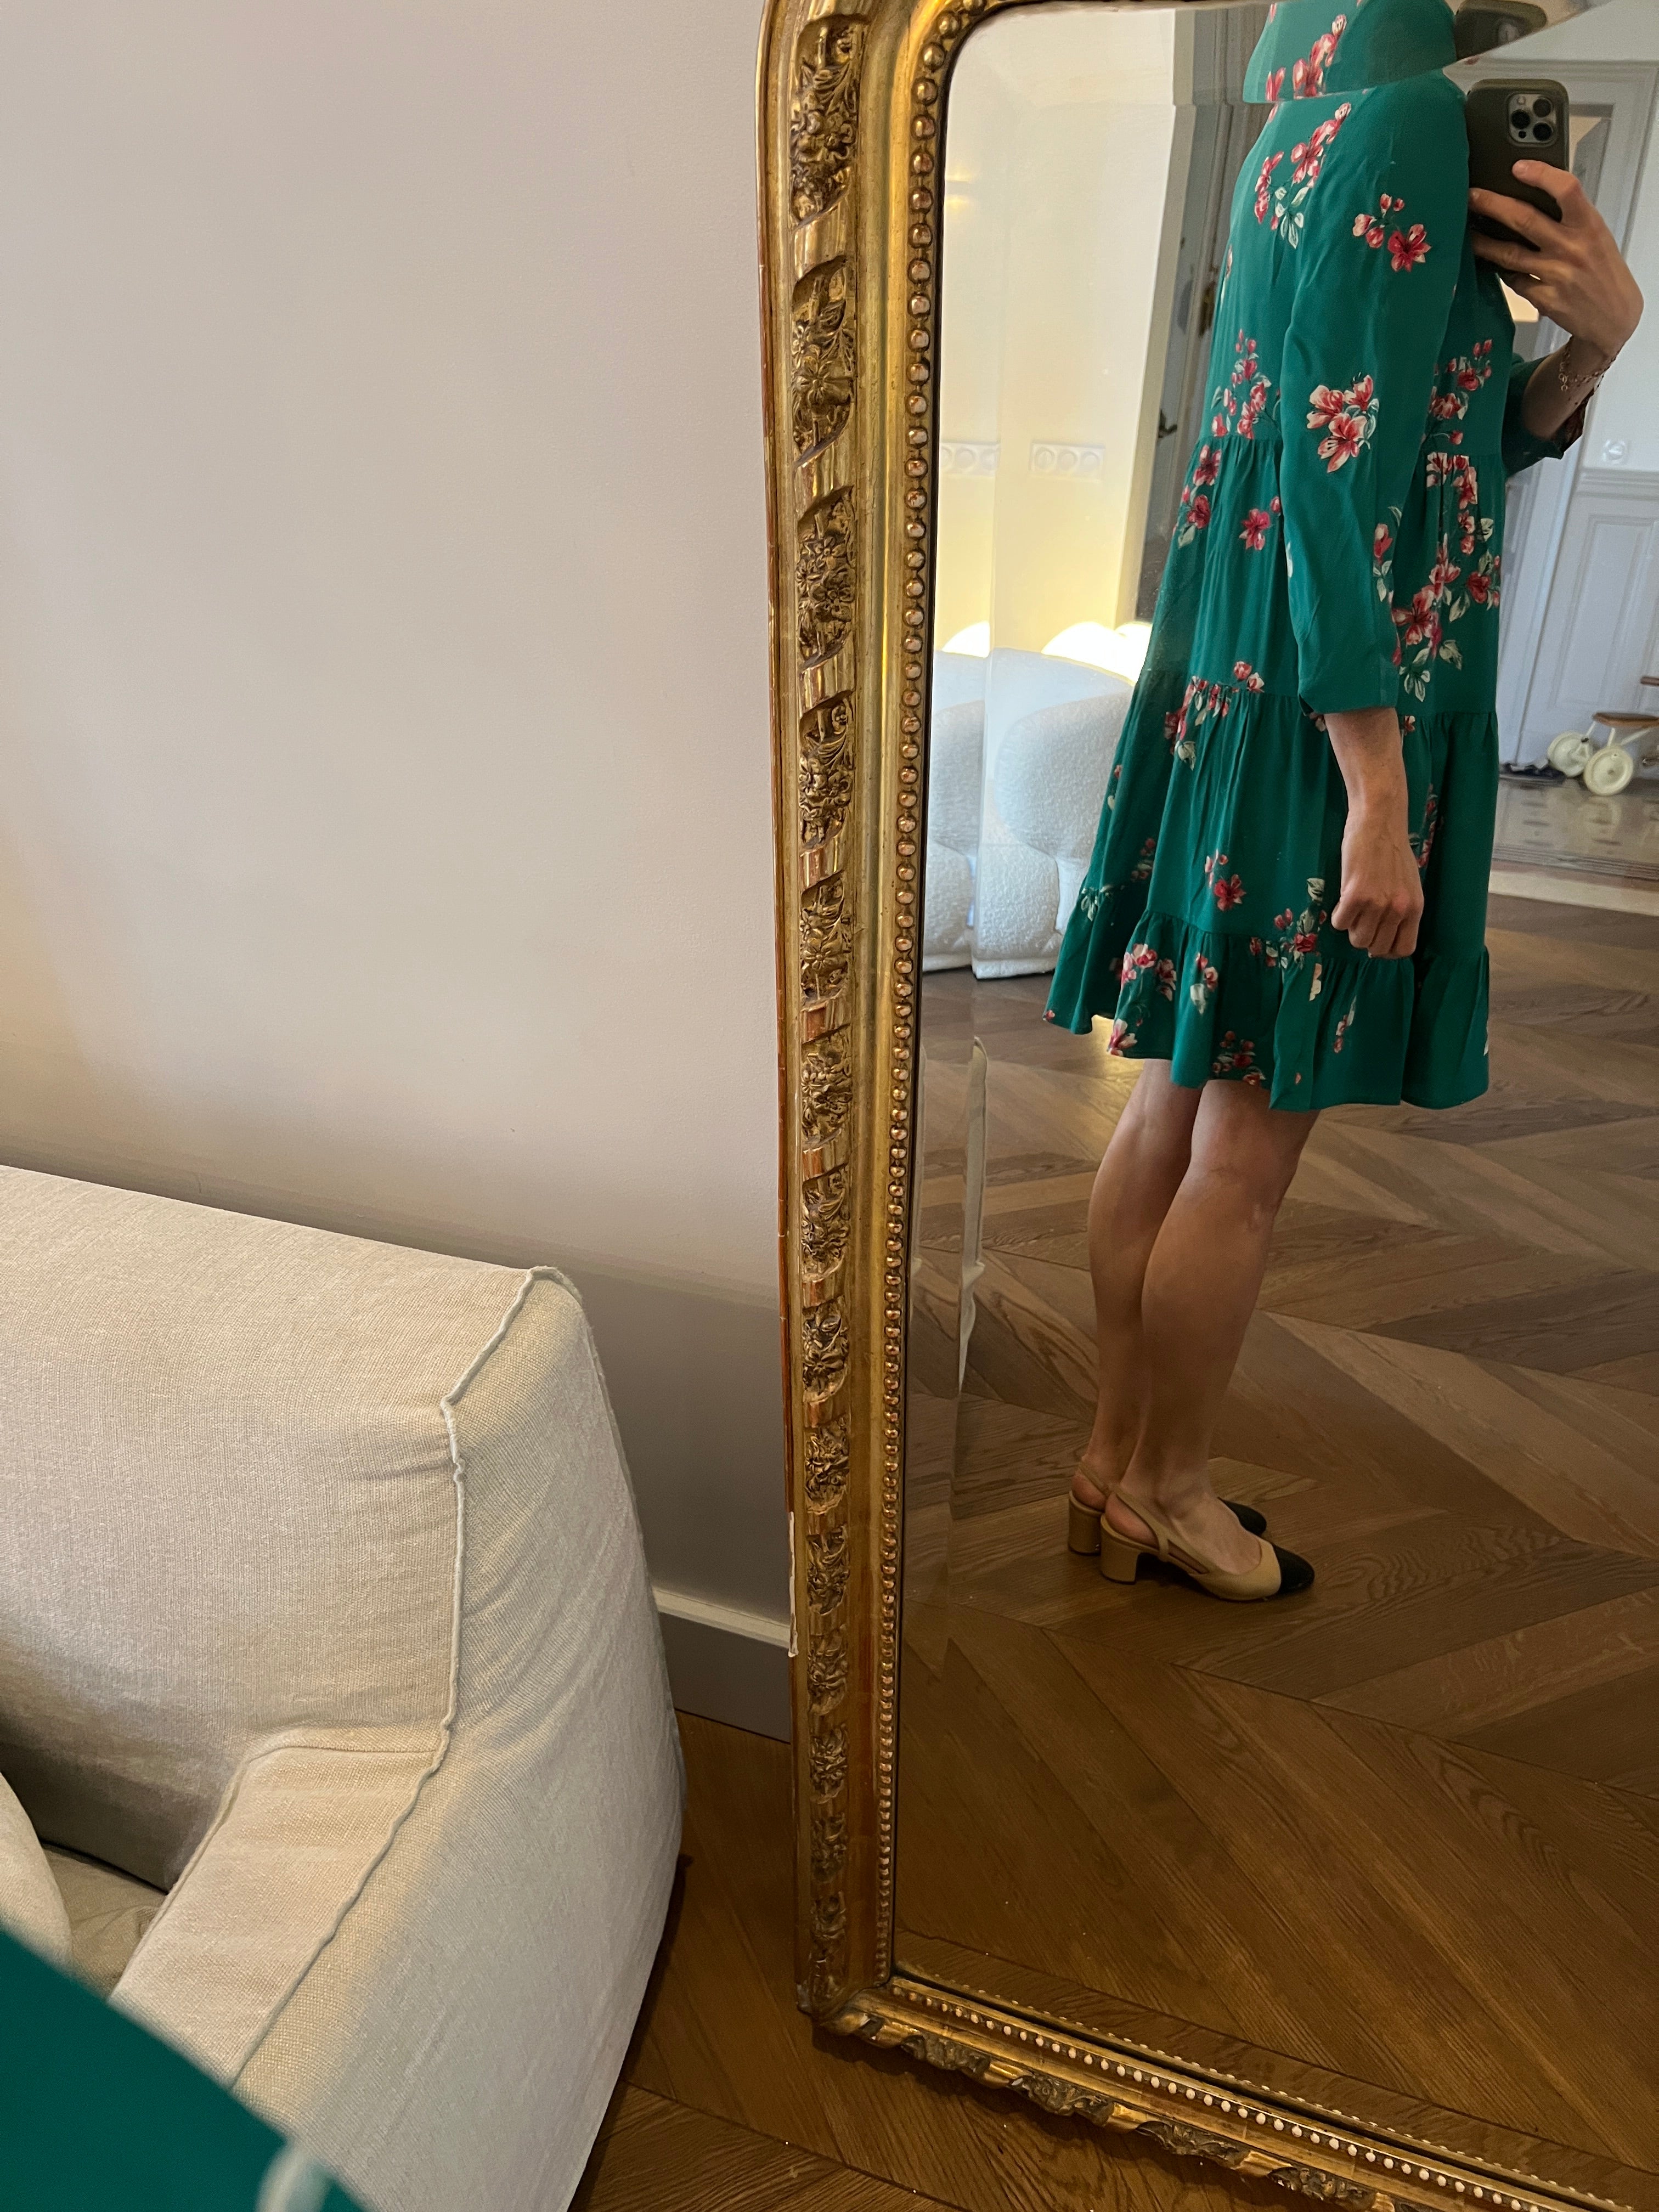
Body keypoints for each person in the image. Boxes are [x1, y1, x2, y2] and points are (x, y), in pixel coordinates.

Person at [1043, 0, 1644, 1601]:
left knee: (1176, 1103)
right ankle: (1169, 1490)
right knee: (1245, 1154)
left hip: (1254, 672)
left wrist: (1590, 344)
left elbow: (1436, 446)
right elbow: (1334, 469)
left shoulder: (1301, 122)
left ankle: (1113, 1465)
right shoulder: (1401, 125)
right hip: (1333, 702)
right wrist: (1377, 788)